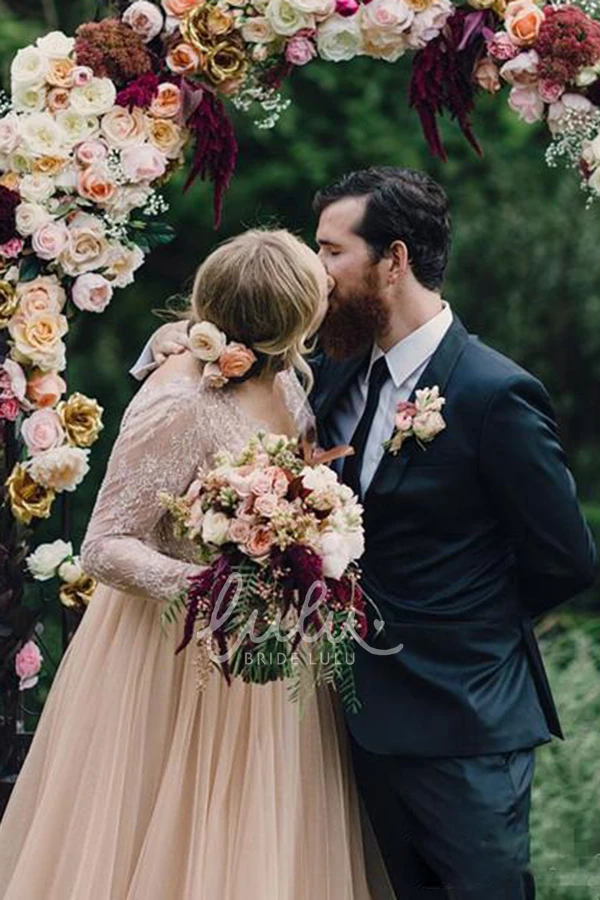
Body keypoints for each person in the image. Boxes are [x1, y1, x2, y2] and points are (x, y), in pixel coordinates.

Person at [138, 167, 598, 900]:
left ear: (394, 260)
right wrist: (173, 341)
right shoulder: (330, 373)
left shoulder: (495, 394)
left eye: (331, 251)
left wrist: (458, 625)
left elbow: (566, 559)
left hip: (462, 720)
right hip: (344, 720)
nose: (316, 271)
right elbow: (232, 358)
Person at [0, 229, 395, 900]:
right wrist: (216, 585)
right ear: (290, 317)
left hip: (268, 665)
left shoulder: (286, 376)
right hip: (175, 660)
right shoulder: (179, 400)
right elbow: (105, 543)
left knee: (262, 846)